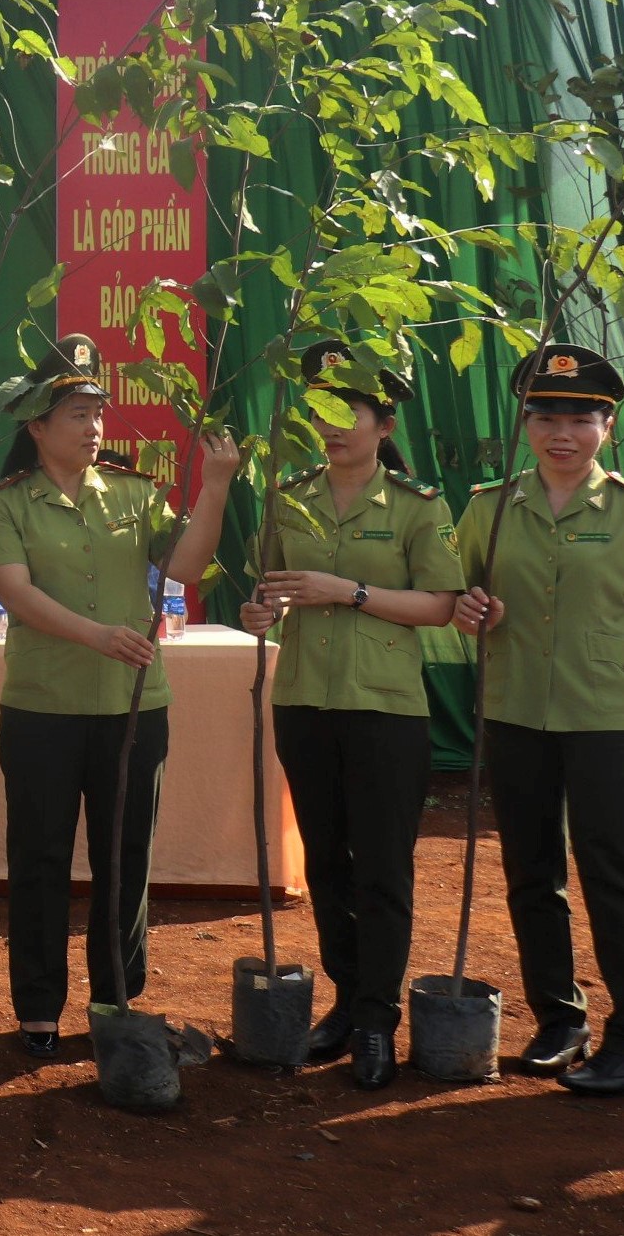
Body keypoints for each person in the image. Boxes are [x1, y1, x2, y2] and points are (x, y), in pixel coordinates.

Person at [0, 333, 236, 1059]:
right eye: (75, 415)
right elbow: (15, 594)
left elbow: (185, 562)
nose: (93, 428)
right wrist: (97, 635)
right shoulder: (3, 505)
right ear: (36, 427)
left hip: (130, 709)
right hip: (42, 710)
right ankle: (37, 1008)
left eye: (98, 412)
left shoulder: (135, 491)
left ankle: (117, 998)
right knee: (39, 859)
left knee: (125, 859)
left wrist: (213, 487)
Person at [236, 341, 459, 1090]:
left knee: (383, 870)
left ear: (385, 424)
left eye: (349, 411)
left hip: (384, 709)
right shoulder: (288, 495)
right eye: (321, 408)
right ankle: (343, 1000)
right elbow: (268, 591)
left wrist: (350, 591)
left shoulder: (419, 508)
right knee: (326, 862)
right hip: (302, 700)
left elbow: (442, 605)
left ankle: (376, 1021)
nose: (332, 424)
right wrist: (259, 611)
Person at [451, 344, 624, 1095]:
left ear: (607, 427)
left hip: (606, 716)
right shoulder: (488, 509)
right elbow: (458, 601)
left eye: (581, 418)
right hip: (516, 709)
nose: (563, 432)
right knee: (531, 870)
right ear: (525, 423)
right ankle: (559, 1017)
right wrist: (470, 612)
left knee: (611, 873)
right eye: (547, 415)